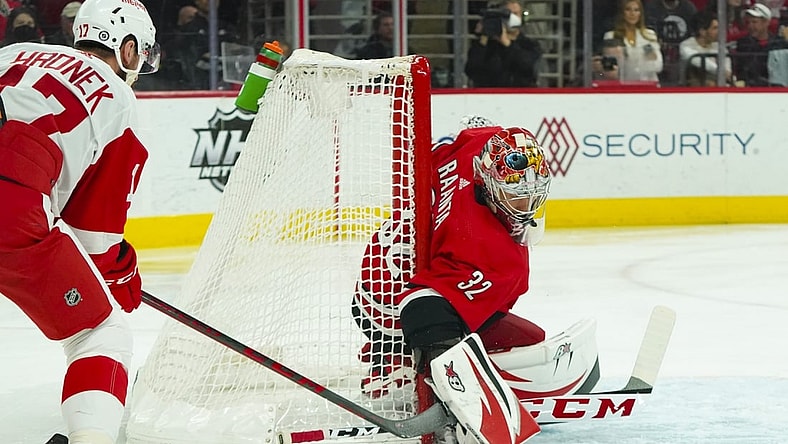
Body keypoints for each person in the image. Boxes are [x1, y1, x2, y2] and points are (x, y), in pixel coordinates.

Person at [351, 117, 599, 442]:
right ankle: (399, 374)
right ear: (490, 183)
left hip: (387, 261)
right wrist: (446, 371)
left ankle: (394, 355)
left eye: (531, 195)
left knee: (526, 335)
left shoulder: (475, 151)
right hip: (388, 299)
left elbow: (463, 136)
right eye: (514, 195)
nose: (525, 206)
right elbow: (421, 302)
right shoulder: (484, 248)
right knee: (499, 338)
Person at [0, 0, 159, 442]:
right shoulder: (118, 96)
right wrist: (119, 270)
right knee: (101, 334)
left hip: (15, 188)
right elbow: (95, 237)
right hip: (8, 201)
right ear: (127, 50)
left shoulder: (13, 53)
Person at [464, 0, 543, 87]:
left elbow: (528, 67)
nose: (512, 18)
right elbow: (471, 70)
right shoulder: (487, 46)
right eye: (508, 14)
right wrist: (484, 37)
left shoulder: (530, 44)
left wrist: (507, 43)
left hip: (520, 97)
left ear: (522, 17)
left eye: (515, 14)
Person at [604, 0, 663, 83]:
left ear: (640, 14)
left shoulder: (649, 36)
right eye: (628, 9)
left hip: (648, 85)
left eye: (636, 10)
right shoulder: (611, 36)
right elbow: (609, 71)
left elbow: (657, 66)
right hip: (623, 86)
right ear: (622, 12)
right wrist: (643, 59)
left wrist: (631, 61)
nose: (632, 13)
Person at [734, 2, 788, 86]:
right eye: (748, 22)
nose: (751, 26)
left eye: (754, 22)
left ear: (766, 22)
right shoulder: (743, 44)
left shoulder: (779, 43)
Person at [680, 10, 732, 85]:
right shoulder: (686, 46)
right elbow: (698, 61)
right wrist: (720, 71)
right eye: (715, 28)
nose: (719, 31)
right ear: (702, 31)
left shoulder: (719, 47)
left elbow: (727, 71)